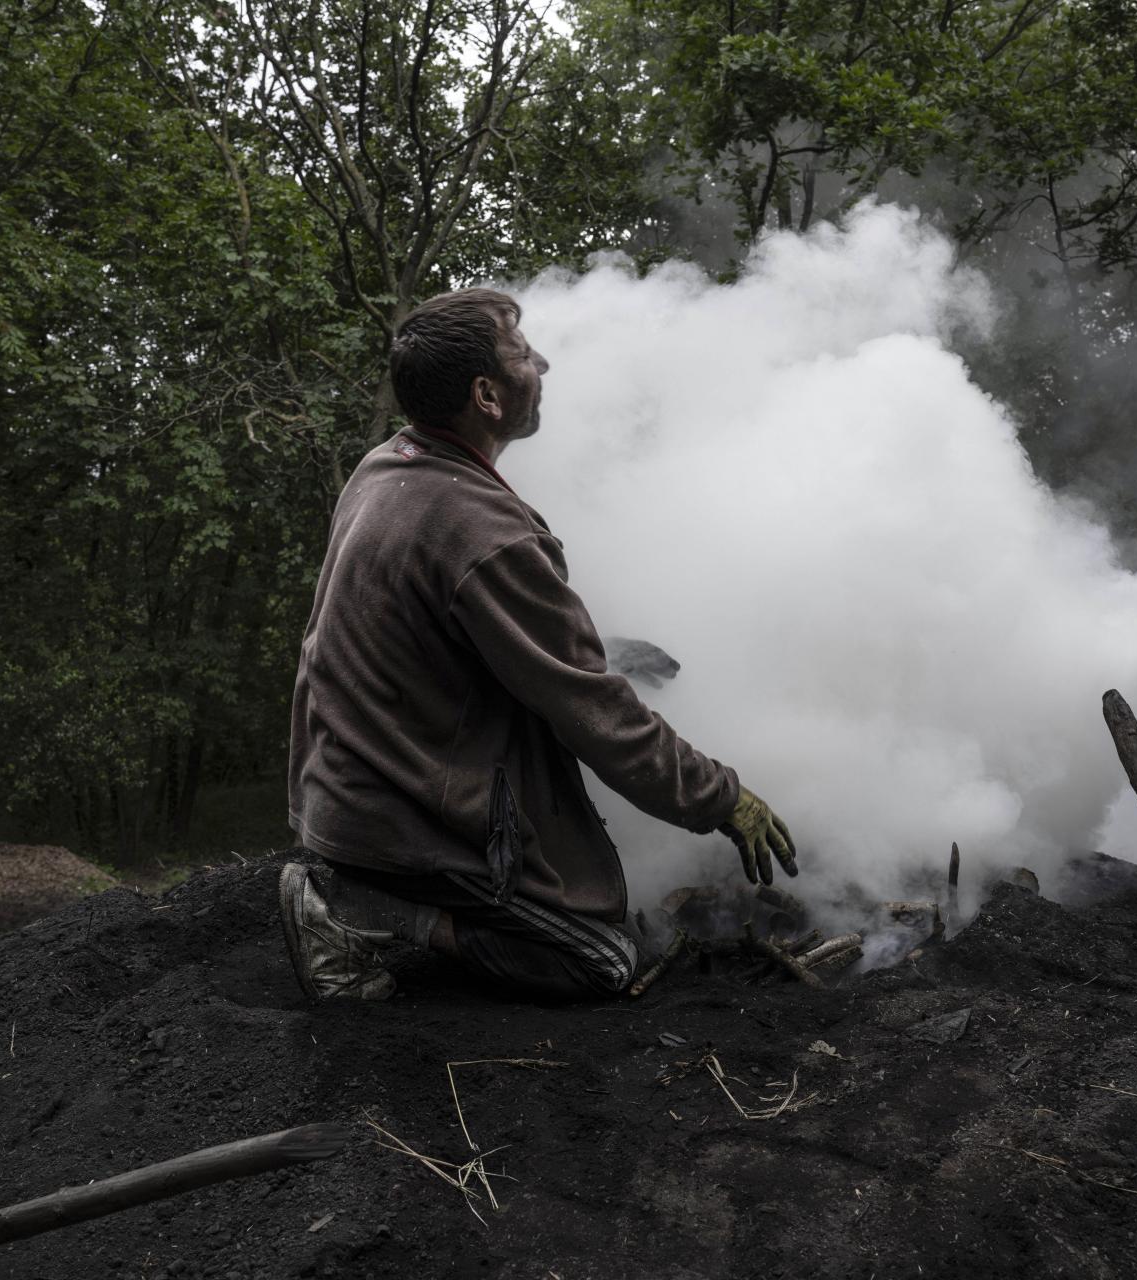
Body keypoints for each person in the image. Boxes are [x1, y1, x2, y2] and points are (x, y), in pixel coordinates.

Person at [281, 288, 798, 1002]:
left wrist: (599, 651)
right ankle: (367, 915)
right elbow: (595, 720)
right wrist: (722, 799)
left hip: (345, 794)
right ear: (487, 395)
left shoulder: (388, 468)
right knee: (599, 960)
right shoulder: (484, 530)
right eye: (523, 354)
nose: (543, 362)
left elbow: (447, 636)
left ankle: (361, 888)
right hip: (395, 821)